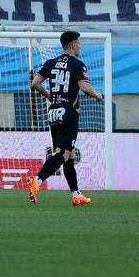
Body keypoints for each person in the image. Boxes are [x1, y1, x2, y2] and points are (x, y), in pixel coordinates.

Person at [25, 30, 103, 205]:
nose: (80, 47)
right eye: (79, 44)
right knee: (63, 153)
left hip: (53, 112)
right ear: (74, 45)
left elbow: (35, 83)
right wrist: (97, 95)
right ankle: (36, 181)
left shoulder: (50, 62)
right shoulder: (78, 64)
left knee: (70, 155)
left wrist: (50, 97)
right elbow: (84, 87)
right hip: (69, 112)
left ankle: (76, 195)